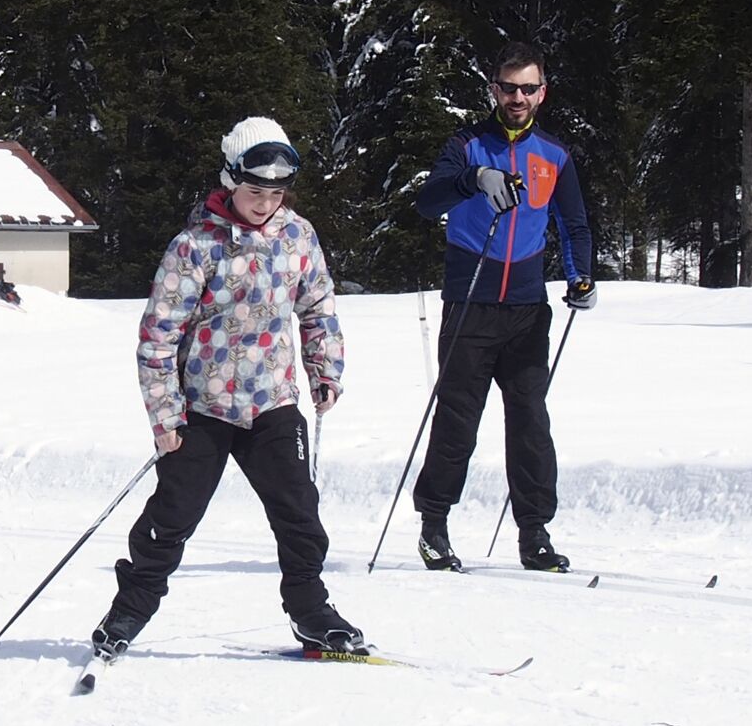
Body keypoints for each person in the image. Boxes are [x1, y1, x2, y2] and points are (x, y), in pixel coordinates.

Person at [89, 117, 364, 659]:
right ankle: (130, 611)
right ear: (230, 181)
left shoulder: (298, 236)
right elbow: (158, 338)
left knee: (300, 515)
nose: (265, 204)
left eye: (276, 193)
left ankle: (311, 610)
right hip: (203, 410)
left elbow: (317, 308)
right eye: (255, 191)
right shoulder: (195, 247)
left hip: (273, 403)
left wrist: (324, 370)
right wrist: (166, 417)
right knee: (171, 516)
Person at [411, 42, 595, 573]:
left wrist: (581, 275)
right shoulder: (467, 145)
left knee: (531, 422)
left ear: (542, 93)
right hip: (470, 303)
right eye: (508, 87)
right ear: (494, 89)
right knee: (457, 421)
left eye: (527, 88)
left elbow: (574, 223)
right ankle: (434, 527)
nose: (517, 97)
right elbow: (429, 202)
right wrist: (473, 179)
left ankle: (534, 533)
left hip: (526, 309)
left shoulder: (555, 156)